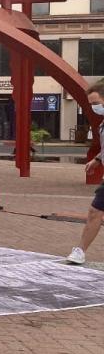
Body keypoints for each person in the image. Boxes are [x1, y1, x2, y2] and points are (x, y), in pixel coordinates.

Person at [69, 79, 104, 265]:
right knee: (94, 211)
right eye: (91, 105)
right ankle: (80, 251)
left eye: (96, 104)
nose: (93, 108)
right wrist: (97, 160)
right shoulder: (102, 125)